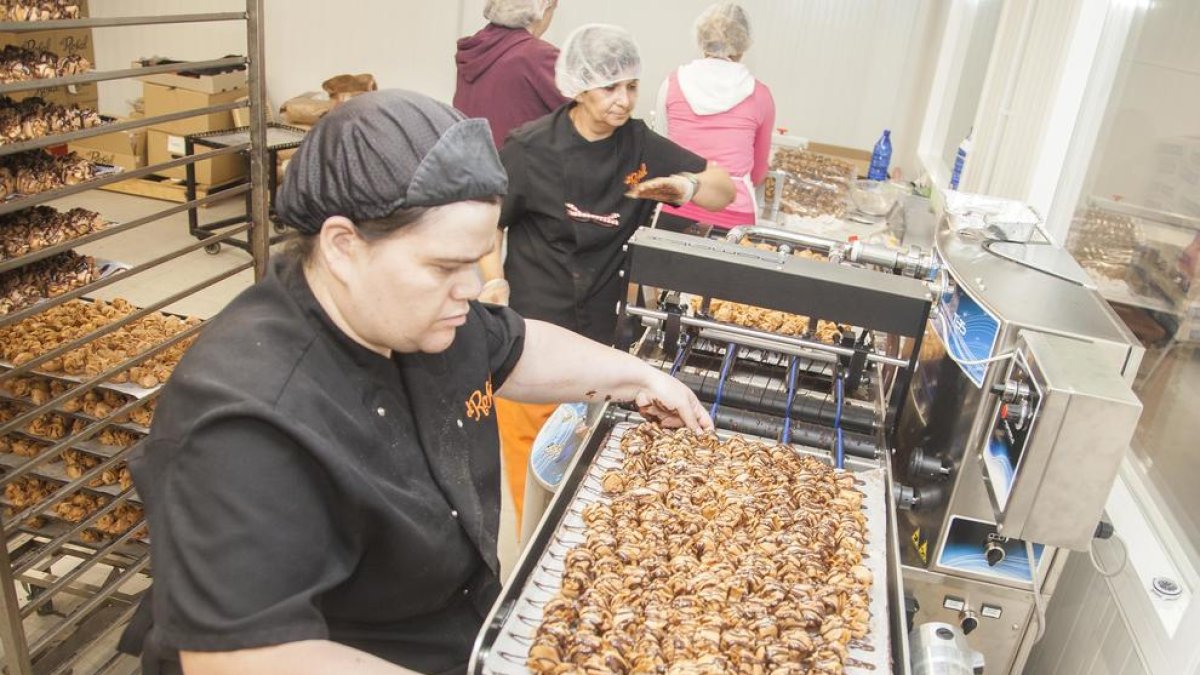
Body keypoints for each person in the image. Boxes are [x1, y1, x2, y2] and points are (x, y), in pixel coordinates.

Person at [123, 90, 711, 675]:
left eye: (475, 262)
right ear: (343, 247)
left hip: (454, 627)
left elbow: (519, 345)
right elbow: (242, 659)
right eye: (445, 267)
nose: (471, 289)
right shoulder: (246, 418)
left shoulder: (415, 316)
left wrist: (638, 374)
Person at [482, 24, 736, 526]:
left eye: (632, 87)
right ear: (578, 85)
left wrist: (685, 186)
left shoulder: (639, 146)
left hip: (608, 344)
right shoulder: (530, 149)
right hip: (533, 338)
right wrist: (493, 284)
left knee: (593, 487)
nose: (623, 100)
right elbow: (489, 226)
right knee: (532, 489)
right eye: (609, 87)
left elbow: (723, 188)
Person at [655, 2, 776, 231]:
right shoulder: (760, 95)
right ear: (743, 44)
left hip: (677, 204)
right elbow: (758, 173)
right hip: (734, 216)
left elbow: (660, 151)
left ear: (702, 39)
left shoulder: (672, 83)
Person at [454, 0, 568, 148]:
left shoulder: (474, 49)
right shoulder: (539, 57)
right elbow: (589, 115)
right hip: (515, 167)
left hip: (469, 165)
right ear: (543, 9)